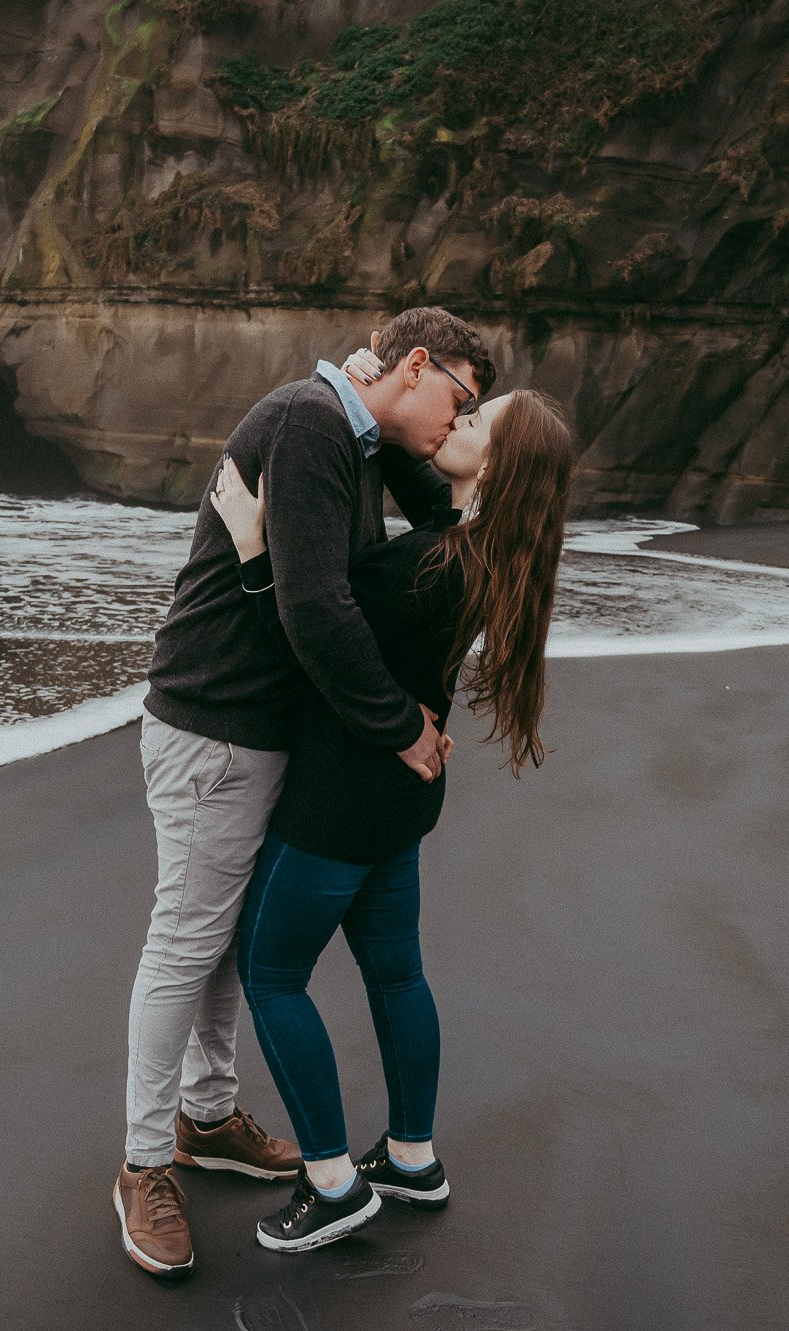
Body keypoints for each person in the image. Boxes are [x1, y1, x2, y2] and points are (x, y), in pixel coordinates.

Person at [116, 309, 497, 1277]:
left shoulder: (354, 428)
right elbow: (314, 607)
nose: (457, 420)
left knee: (229, 944)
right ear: (415, 363)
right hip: (215, 721)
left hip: (270, 727)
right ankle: (142, 1162)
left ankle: (206, 1118)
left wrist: (406, 420)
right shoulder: (310, 424)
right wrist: (402, 725)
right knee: (186, 942)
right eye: (458, 397)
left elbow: (443, 515)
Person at [208, 383, 576, 1252]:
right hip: (401, 801)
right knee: (398, 975)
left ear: (495, 470)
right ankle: (412, 1157)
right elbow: (426, 485)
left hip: (342, 798)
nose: (456, 420)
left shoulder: (424, 567)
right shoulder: (481, 555)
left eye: (476, 423)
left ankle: (332, 1182)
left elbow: (315, 642)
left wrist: (258, 550)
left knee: (270, 973)